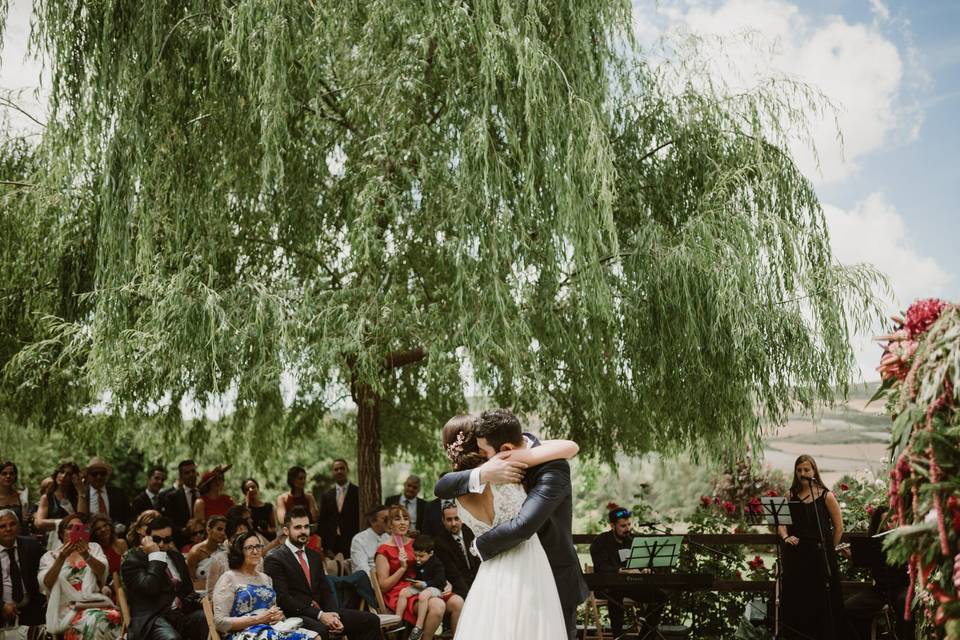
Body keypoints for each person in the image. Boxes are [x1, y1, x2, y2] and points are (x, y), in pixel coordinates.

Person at [434, 411, 587, 640]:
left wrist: (479, 546)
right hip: (500, 578)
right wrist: (483, 472)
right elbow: (441, 486)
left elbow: (523, 525)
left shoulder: (552, 467)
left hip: (553, 574)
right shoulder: (485, 472)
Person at [262, 507, 379, 640]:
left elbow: (326, 589)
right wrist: (320, 615)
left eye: (306, 527)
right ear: (286, 530)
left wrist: (333, 614)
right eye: (298, 527)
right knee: (321, 630)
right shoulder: (275, 558)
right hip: (295, 615)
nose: (303, 531)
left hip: (323, 611)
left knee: (370, 620)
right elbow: (284, 599)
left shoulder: (314, 556)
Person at [778, 454, 848, 640]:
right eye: (799, 470)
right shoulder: (789, 495)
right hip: (797, 556)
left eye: (806, 469)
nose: (803, 473)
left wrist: (829, 550)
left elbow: (839, 527)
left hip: (820, 557)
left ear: (814, 471)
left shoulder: (826, 495)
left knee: (822, 601)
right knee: (798, 600)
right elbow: (781, 524)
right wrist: (786, 537)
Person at [374, 506, 462, 640]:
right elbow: (383, 586)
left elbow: (434, 566)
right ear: (390, 524)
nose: (403, 522)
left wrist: (445, 582)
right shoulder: (384, 550)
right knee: (438, 606)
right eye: (397, 519)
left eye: (406, 519)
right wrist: (402, 568)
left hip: (424, 584)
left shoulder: (417, 543)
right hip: (400, 592)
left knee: (458, 602)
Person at [211, 530, 315, 640]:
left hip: (270, 629)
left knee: (315, 636)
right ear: (239, 552)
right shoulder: (228, 578)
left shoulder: (266, 579)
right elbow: (220, 622)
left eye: (258, 546)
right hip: (243, 633)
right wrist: (258, 619)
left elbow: (271, 610)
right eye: (249, 548)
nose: (255, 551)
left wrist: (278, 616)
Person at [120, 515, 207, 640]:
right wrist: (155, 556)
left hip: (179, 615)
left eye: (166, 540)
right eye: (156, 539)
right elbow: (149, 588)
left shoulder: (176, 557)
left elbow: (188, 591)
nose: (161, 544)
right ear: (147, 538)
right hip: (153, 619)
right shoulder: (133, 561)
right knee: (171, 638)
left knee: (205, 618)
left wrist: (195, 601)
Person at [38, 514, 121, 640]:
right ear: (61, 533)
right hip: (67, 610)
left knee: (112, 616)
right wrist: (61, 558)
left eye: (78, 528)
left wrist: (86, 555)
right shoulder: (50, 556)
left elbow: (102, 572)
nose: (74, 531)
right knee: (97, 620)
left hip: (93, 604)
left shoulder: (93, 548)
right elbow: (47, 583)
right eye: (70, 527)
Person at [589, 505, 666, 639]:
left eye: (629, 524)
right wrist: (623, 570)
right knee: (615, 595)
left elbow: (642, 562)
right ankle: (618, 636)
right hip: (608, 586)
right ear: (612, 525)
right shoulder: (600, 542)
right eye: (623, 526)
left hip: (632, 584)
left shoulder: (632, 541)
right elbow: (602, 567)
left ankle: (645, 637)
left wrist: (645, 568)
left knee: (660, 597)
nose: (628, 529)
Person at [843, 505, 913, 640]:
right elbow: (868, 563)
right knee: (849, 609)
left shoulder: (904, 539)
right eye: (884, 523)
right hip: (880, 591)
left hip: (901, 587)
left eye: (891, 521)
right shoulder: (873, 542)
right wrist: (853, 557)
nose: (888, 526)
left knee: (905, 603)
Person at [0, 509, 44, 630]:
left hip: (32, 609)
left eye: (12, 524)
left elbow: (46, 570)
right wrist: (2, 606)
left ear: (19, 526)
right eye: (2, 526)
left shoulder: (32, 545)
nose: (8, 529)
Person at [396, 535, 446, 640]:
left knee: (423, 596)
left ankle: (418, 627)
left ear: (431, 553)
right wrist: (413, 581)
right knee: (403, 592)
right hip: (422, 585)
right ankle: (397, 620)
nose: (418, 559)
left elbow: (440, 581)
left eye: (421, 556)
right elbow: (419, 575)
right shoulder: (420, 562)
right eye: (416, 555)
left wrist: (425, 584)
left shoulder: (437, 564)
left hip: (434, 587)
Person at [432, 503, 479, 599]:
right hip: (460, 587)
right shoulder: (439, 543)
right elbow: (454, 576)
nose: (453, 523)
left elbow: (479, 562)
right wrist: (471, 598)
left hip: (479, 580)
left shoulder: (471, 532)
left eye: (456, 518)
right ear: (443, 521)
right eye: (449, 520)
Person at [317, 460, 359, 558]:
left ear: (347, 470)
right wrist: (325, 547)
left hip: (353, 541)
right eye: (336, 469)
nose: (339, 471)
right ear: (332, 472)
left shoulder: (358, 492)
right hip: (332, 544)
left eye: (342, 468)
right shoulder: (327, 495)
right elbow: (323, 521)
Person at [77, 457, 132, 527]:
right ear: (88, 475)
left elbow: (128, 516)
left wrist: (123, 527)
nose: (98, 477)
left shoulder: (118, 493)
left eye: (102, 473)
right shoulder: (82, 495)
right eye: (94, 473)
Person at [160, 460, 200, 547]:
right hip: (180, 543)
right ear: (181, 476)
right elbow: (169, 521)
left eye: (193, 471)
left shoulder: (203, 493)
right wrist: (183, 530)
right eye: (187, 473)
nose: (191, 475)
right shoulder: (171, 497)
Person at [34, 461, 80, 533]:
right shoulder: (47, 498)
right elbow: (40, 522)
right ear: (57, 474)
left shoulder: (76, 498)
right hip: (54, 538)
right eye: (61, 472)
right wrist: (64, 522)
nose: (63, 476)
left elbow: (83, 519)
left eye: (68, 474)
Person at [186, 515, 228, 582]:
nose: (223, 533)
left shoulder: (225, 550)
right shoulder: (195, 553)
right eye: (219, 529)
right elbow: (191, 581)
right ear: (209, 530)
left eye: (225, 530)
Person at [349, 505, 389, 573]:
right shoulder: (359, 539)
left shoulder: (388, 538)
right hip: (367, 580)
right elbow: (362, 569)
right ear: (372, 521)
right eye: (385, 519)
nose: (389, 522)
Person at [0, 463, 28, 535]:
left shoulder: (22, 496)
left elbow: (25, 521)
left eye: (11, 473)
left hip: (18, 538)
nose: (8, 476)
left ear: (15, 476)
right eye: (4, 474)